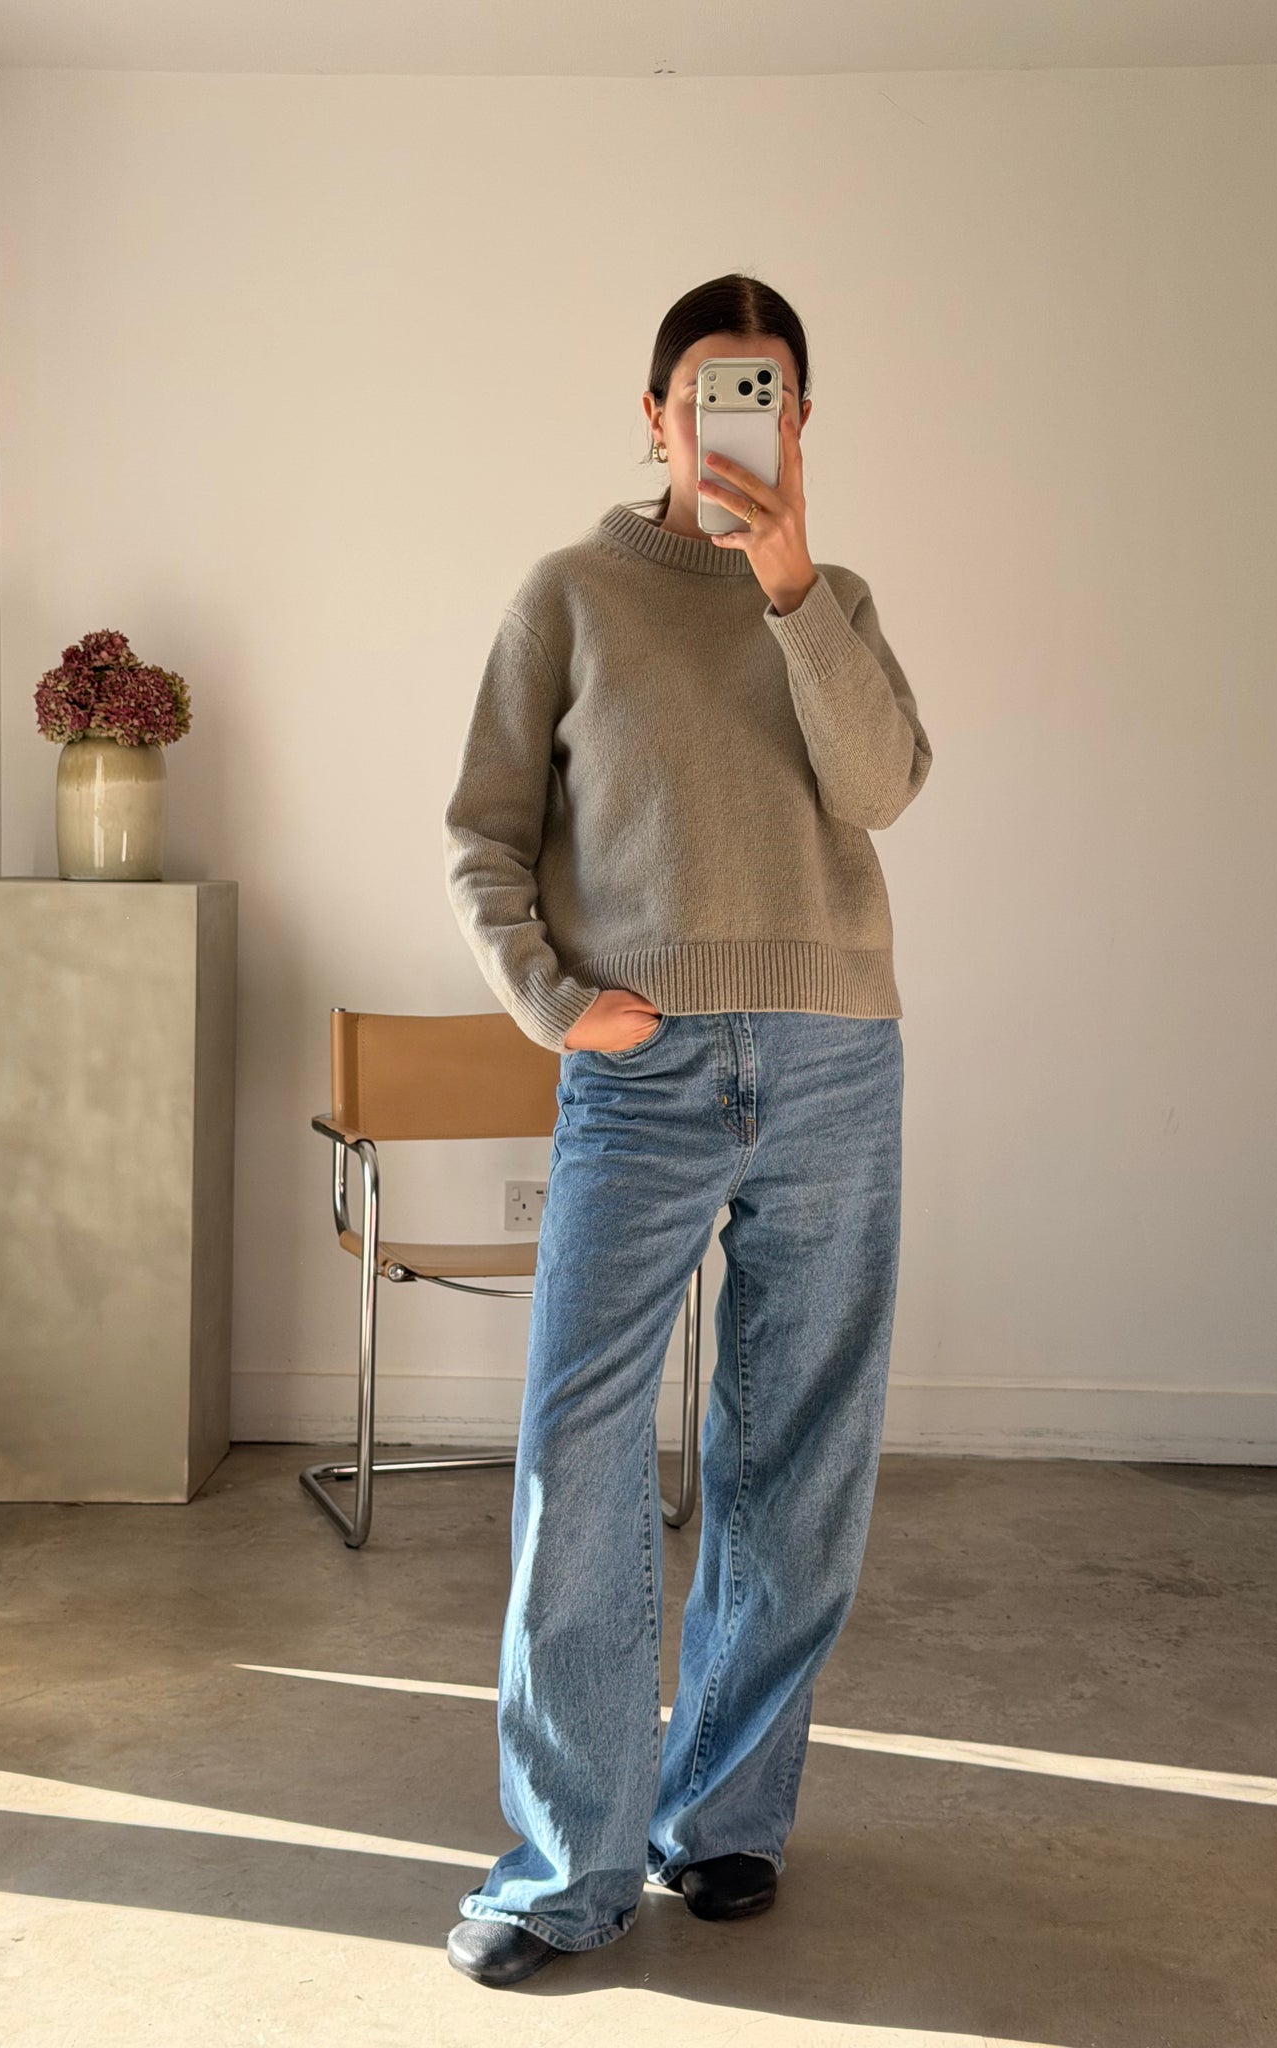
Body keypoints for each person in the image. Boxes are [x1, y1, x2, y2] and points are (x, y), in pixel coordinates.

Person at [440, 272, 933, 1989]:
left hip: (835, 1066)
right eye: (713, 390)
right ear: (654, 413)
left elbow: (880, 789)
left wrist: (792, 590)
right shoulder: (569, 595)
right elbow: (484, 835)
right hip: (641, 1074)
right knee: (580, 1452)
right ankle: (563, 1867)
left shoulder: (834, 601)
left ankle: (724, 1815)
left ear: (800, 423)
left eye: (769, 395)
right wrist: (554, 1001)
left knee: (796, 1458)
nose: (739, 420)